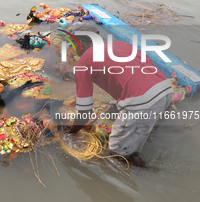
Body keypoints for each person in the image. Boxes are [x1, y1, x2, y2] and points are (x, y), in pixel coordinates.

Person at [68, 24, 173, 167]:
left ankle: (151, 174)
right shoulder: (121, 45)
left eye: (71, 43)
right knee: (119, 117)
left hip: (143, 101)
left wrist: (70, 134)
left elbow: (85, 113)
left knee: (118, 154)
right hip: (164, 89)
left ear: (80, 43)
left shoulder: (84, 62)